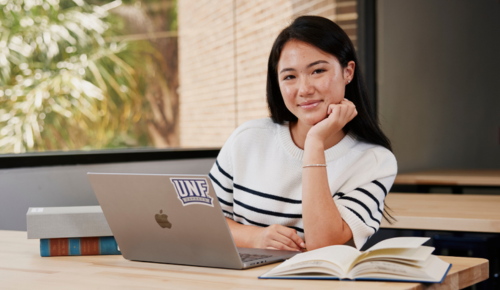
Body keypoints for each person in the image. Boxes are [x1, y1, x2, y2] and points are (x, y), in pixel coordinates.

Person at [209, 15, 397, 252]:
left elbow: (322, 244)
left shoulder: (374, 160)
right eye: (289, 76)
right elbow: (201, 221)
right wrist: (255, 238)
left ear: (347, 72)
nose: (305, 89)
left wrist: (315, 142)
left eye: (317, 71)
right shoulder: (247, 139)